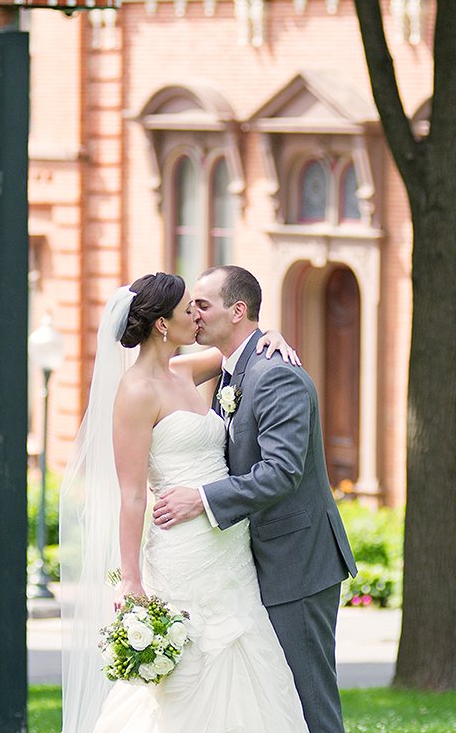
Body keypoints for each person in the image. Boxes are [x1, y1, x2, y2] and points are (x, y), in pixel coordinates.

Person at [59, 272, 308, 733]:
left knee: (246, 652)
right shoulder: (135, 392)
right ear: (161, 324)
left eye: (198, 307)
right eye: (187, 309)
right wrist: (130, 579)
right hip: (181, 545)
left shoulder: (183, 370)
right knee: (190, 670)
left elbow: (243, 345)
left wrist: (271, 333)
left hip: (227, 543)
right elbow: (132, 493)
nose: (195, 315)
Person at [152, 265, 358, 733]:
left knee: (309, 703)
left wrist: (200, 498)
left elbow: (282, 472)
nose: (193, 314)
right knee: (273, 702)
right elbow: (157, 369)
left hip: (298, 564)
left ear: (237, 310)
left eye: (202, 305)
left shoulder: (276, 376)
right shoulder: (231, 368)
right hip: (252, 563)